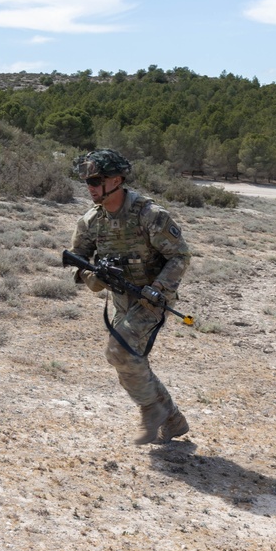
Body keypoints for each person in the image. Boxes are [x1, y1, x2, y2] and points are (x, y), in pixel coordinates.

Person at [69, 148, 190, 445]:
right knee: (131, 359)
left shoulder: (149, 215)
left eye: (96, 180)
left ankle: (151, 410)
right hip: (123, 299)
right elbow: (77, 262)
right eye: (87, 181)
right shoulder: (90, 222)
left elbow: (179, 257)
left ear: (117, 180)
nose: (91, 187)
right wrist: (93, 277)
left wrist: (158, 290)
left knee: (119, 351)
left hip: (152, 299)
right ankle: (172, 419)